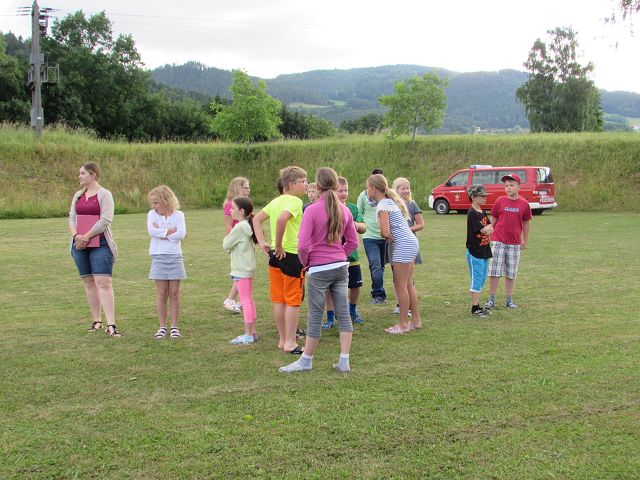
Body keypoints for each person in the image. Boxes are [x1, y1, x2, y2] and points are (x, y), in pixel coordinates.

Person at [279, 167, 359, 373]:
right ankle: (344, 360)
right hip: (340, 267)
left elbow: (303, 245)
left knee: (315, 315)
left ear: (318, 185)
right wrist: (340, 254)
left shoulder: (312, 210)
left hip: (319, 268)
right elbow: (353, 242)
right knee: (343, 313)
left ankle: (306, 360)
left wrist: (307, 262)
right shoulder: (345, 210)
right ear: (335, 185)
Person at [253, 166, 308, 354]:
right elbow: (282, 219)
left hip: (275, 258)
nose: (306, 185)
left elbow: (256, 220)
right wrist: (278, 244)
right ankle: (290, 342)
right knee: (292, 300)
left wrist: (263, 242)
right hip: (290, 255)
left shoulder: (275, 201)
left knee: (279, 299)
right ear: (291, 184)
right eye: (303, 181)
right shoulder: (295, 201)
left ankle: (283, 339)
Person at [68, 162, 121, 337]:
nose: (79, 176)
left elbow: (105, 220)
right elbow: (72, 218)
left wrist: (86, 236)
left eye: (83, 173)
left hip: (101, 244)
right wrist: (76, 236)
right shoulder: (78, 195)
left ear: (93, 174)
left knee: (103, 282)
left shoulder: (105, 194)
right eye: (79, 173)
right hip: (79, 245)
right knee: (89, 281)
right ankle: (97, 321)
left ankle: (111, 324)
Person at [366, 174, 422, 334]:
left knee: (400, 285)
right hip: (410, 242)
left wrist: (386, 235)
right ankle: (416, 320)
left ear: (373, 189)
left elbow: (385, 231)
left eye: (367, 187)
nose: (366, 190)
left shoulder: (383, 205)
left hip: (403, 245)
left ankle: (404, 324)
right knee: (409, 284)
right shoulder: (391, 202)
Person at [323, 176, 366, 329]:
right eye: (340, 190)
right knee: (330, 288)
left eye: (346, 190)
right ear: (332, 191)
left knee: (355, 286)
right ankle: (330, 317)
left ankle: (352, 311)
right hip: (332, 257)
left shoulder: (352, 208)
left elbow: (363, 227)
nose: (343, 193)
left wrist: (356, 225)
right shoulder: (327, 209)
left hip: (351, 256)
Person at [484, 174, 532, 309]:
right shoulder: (500, 201)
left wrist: (525, 240)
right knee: (494, 271)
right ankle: (491, 299)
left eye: (511, 185)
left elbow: (526, 223)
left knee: (511, 273)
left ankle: (509, 300)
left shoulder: (524, 204)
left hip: (514, 243)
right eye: (506, 186)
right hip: (498, 241)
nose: (508, 188)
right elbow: (493, 219)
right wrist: (488, 233)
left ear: (518, 187)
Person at [147, 186, 187, 339]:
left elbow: (181, 234)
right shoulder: (152, 214)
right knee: (161, 294)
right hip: (158, 256)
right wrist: (170, 231)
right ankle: (162, 327)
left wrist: (162, 233)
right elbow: (152, 232)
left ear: (166, 201)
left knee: (174, 294)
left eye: (156, 203)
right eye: (153, 203)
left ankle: (174, 327)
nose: (154, 206)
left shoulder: (179, 215)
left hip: (175, 256)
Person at [223, 196, 259, 345]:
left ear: (241, 211)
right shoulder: (246, 225)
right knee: (249, 299)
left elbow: (226, 244)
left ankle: (248, 335)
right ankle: (253, 332)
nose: (230, 211)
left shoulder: (240, 226)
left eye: (233, 208)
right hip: (247, 268)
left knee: (245, 301)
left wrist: (230, 246)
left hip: (241, 269)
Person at [391, 177, 424, 315]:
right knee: (396, 278)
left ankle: (409, 308)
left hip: (408, 244)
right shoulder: (391, 204)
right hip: (394, 244)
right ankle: (400, 304)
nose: (405, 191)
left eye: (407, 188)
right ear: (395, 189)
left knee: (408, 280)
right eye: (402, 188)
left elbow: (421, 224)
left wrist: (406, 230)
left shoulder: (412, 204)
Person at [357, 168, 387, 304]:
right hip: (370, 236)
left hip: (385, 236)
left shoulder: (387, 197)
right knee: (375, 265)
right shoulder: (363, 196)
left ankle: (379, 289)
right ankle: (378, 293)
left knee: (381, 266)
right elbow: (358, 214)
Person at [222, 177, 251, 313]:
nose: (248, 190)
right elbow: (228, 226)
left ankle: (240, 301)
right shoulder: (231, 205)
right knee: (242, 273)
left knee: (245, 272)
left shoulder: (244, 203)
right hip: (237, 243)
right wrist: (232, 242)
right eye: (246, 187)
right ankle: (230, 299)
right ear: (238, 188)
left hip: (244, 241)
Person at [466, 185, 493, 318]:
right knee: (476, 280)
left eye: (485, 195)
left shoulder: (482, 212)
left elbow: (491, 227)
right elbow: (484, 230)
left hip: (485, 250)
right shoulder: (472, 213)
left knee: (482, 279)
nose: (485, 198)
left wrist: (487, 229)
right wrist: (487, 229)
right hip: (475, 251)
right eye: (482, 196)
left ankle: (478, 306)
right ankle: (474, 307)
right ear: (473, 197)